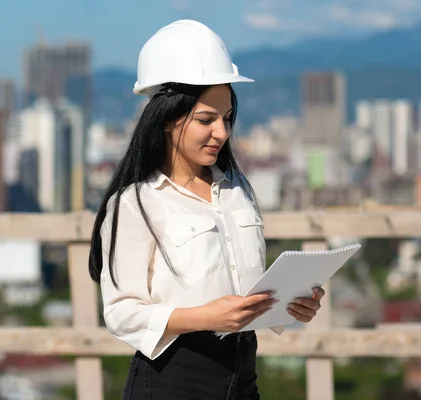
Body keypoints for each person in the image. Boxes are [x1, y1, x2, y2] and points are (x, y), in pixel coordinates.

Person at [88, 19, 325, 400]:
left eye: (227, 118)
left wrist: (291, 303)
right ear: (168, 118)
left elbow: (241, 287)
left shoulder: (238, 189)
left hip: (243, 378)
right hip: (172, 381)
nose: (223, 132)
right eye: (206, 119)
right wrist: (205, 318)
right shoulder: (136, 204)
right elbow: (120, 313)